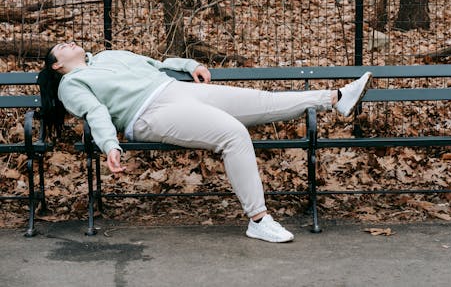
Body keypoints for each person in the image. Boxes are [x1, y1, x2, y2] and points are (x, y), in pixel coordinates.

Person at [38, 41, 372, 243]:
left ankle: (336, 98)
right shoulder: (72, 84)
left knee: (263, 102)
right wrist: (109, 144)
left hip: (178, 90)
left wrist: (190, 64)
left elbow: (156, 64)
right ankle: (259, 221)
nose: (68, 44)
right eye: (61, 48)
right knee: (234, 134)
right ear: (57, 65)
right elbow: (95, 112)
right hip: (149, 113)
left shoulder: (109, 55)